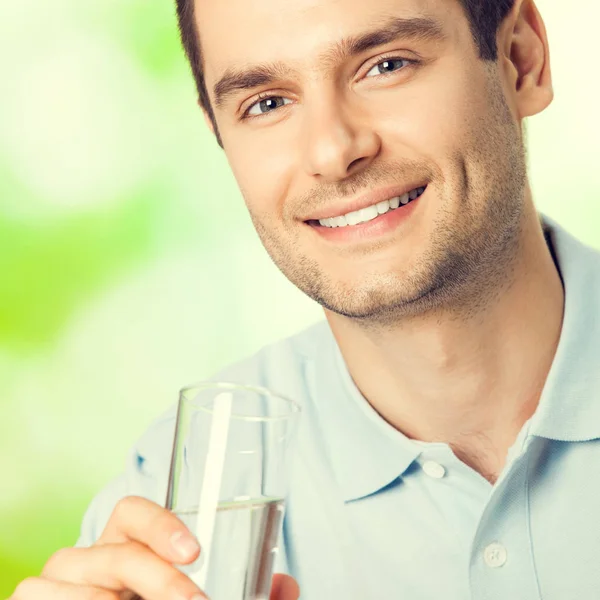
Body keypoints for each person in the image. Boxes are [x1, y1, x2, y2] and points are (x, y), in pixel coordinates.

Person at [10, 0, 600, 598]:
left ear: (522, 60)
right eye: (266, 103)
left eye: (386, 65)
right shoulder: (174, 500)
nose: (332, 152)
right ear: (218, 134)